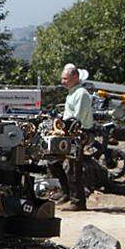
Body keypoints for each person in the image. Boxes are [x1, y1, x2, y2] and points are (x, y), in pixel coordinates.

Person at [51, 63, 94, 211]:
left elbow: (78, 119)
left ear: (75, 77)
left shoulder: (81, 94)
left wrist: (66, 129)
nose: (63, 82)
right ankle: (66, 192)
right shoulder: (72, 93)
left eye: (66, 79)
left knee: (73, 167)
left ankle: (78, 201)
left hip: (78, 134)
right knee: (53, 161)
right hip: (68, 133)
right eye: (62, 79)